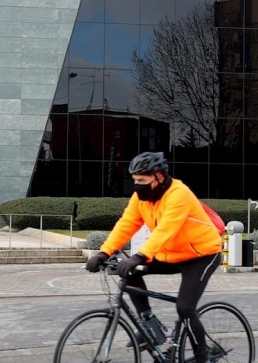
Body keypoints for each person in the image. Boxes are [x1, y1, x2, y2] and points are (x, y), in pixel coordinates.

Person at [85, 152, 222, 363]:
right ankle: (151, 325)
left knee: (185, 308)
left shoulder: (179, 194)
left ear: (158, 176)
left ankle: (201, 357)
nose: (137, 185)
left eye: (142, 180)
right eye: (134, 181)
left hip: (202, 255)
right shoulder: (142, 198)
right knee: (126, 269)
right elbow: (126, 224)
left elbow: (166, 230)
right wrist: (104, 252)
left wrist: (140, 255)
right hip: (171, 254)